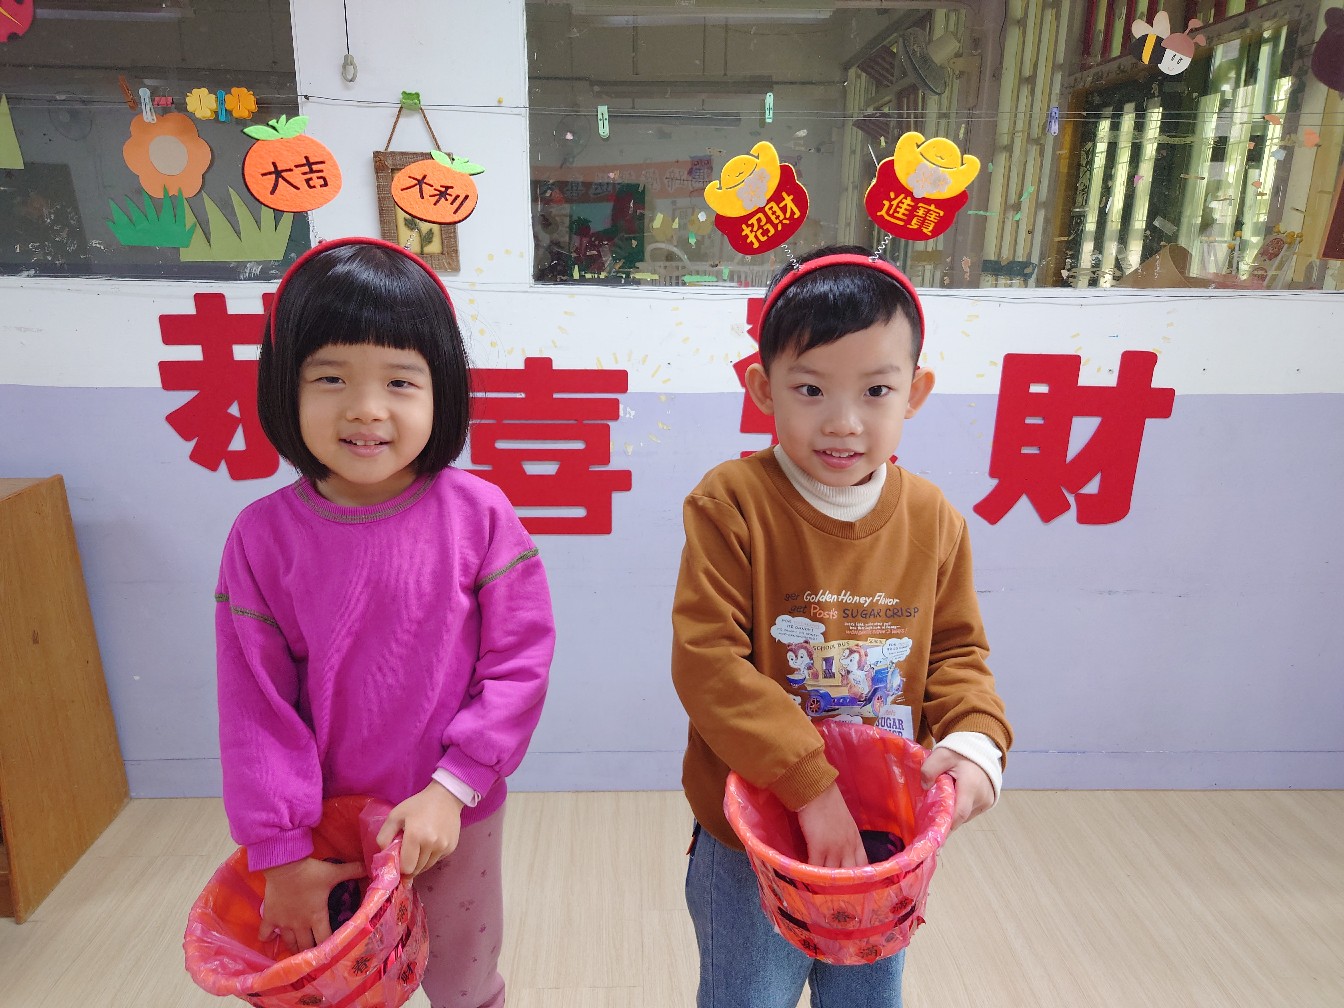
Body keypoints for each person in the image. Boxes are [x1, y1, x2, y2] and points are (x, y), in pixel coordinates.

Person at [215, 237, 554, 1008]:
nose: (366, 408)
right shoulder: (261, 537)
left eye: (400, 381)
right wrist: (280, 851)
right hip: (324, 836)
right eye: (330, 377)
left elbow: (519, 664)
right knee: (341, 987)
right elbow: (254, 709)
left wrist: (453, 787)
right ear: (285, 387)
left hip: (453, 814)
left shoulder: (480, 515)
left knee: (463, 981)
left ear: (442, 391)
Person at [671, 245, 1012, 1008]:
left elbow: (958, 653)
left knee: (866, 996)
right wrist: (810, 788)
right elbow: (708, 664)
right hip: (753, 836)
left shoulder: (933, 519)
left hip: (882, 836)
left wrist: (976, 741)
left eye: (876, 390)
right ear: (763, 388)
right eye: (811, 388)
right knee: (746, 997)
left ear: (914, 393)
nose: (843, 422)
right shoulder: (731, 503)